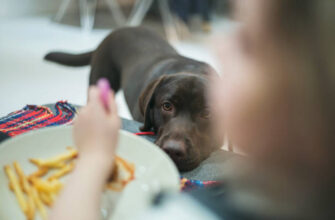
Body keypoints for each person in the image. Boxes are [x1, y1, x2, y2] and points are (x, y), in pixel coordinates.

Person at [50, 0, 335, 219]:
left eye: (246, 43)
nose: (219, 46)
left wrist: (95, 157)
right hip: (114, 49)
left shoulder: (189, 212)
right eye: (167, 107)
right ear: (150, 108)